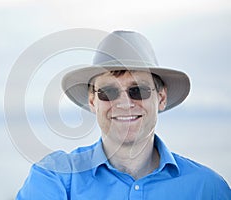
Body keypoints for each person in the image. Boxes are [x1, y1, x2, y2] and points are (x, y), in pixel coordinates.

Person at [16, 31, 230, 199]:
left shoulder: (208, 189)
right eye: (108, 92)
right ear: (93, 101)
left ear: (161, 98)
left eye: (137, 90)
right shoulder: (55, 177)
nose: (124, 103)